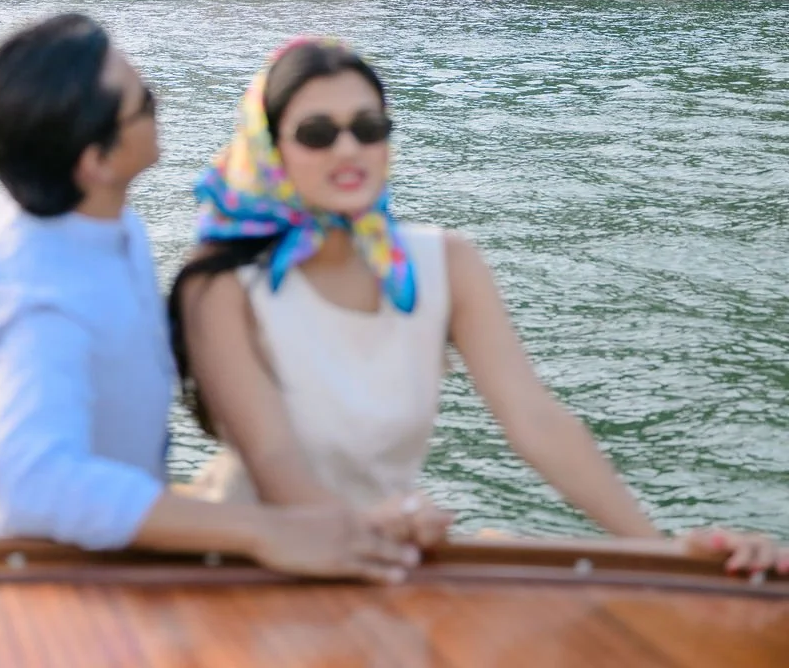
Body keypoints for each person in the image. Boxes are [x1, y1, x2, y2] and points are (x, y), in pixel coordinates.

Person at [171, 37, 785, 575]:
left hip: (388, 557)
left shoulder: (445, 265)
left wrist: (664, 554)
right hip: (246, 570)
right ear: (270, 147)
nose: (348, 149)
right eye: (317, 133)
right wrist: (373, 529)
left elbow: (536, 420)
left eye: (369, 127)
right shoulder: (221, 286)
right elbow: (273, 459)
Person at [0, 14, 419, 581]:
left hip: (117, 556)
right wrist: (265, 532)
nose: (160, 101)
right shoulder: (38, 295)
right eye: (144, 100)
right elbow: (35, 483)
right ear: (96, 160)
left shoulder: (96, 220)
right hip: (59, 585)